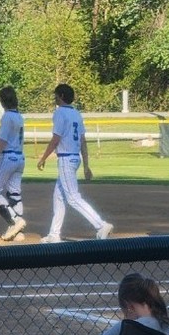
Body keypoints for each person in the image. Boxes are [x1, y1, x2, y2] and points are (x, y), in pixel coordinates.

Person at [37, 83, 113, 243]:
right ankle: (54, 235)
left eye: (56, 95)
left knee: (72, 197)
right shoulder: (77, 114)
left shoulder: (60, 113)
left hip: (65, 158)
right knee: (59, 196)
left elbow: (55, 139)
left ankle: (100, 225)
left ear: (62, 96)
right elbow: (83, 142)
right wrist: (86, 165)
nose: (54, 98)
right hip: (75, 158)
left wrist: (43, 158)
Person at [0, 86, 27, 242]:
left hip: (8, 157)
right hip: (19, 157)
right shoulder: (19, 116)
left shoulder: (7, 117)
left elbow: (2, 141)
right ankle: (19, 233)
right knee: (14, 193)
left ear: (2, 101)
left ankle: (16, 221)